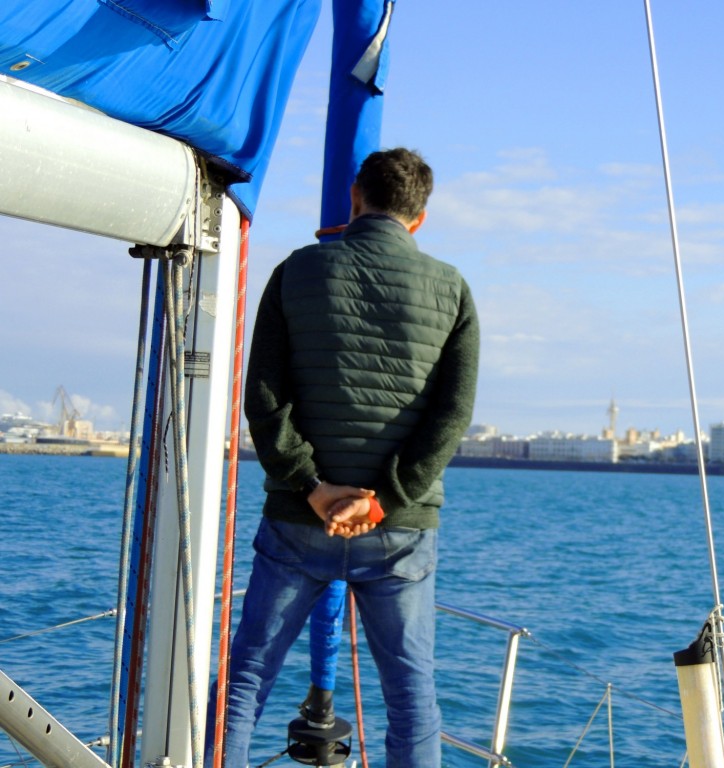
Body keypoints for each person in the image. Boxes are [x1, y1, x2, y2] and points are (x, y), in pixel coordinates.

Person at [206, 147, 480, 768]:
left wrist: (312, 486)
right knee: (410, 696)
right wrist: (383, 499)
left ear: (355, 196)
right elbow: (452, 415)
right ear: (420, 217)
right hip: (399, 530)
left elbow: (263, 398)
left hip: (299, 519)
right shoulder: (453, 289)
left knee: (246, 680)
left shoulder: (297, 271)